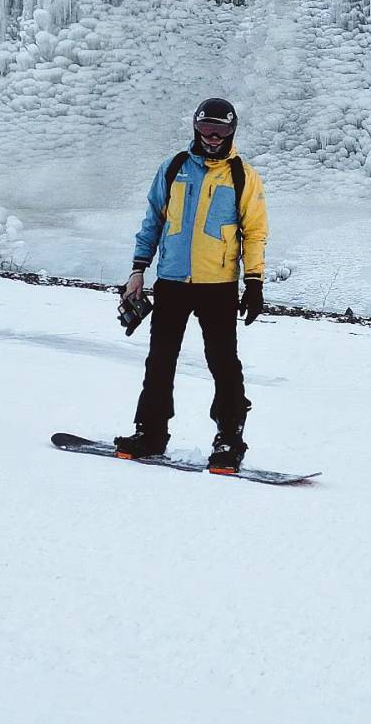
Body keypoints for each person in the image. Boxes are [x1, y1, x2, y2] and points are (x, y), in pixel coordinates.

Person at [115, 97, 268, 472]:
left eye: (221, 132)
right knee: (160, 361)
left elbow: (255, 232)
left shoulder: (242, 176)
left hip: (218, 287)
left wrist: (254, 282)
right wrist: (138, 270)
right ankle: (150, 434)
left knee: (223, 364)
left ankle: (229, 440)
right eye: (206, 130)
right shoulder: (173, 168)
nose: (213, 138)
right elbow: (153, 219)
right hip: (171, 282)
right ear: (195, 128)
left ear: (232, 132)